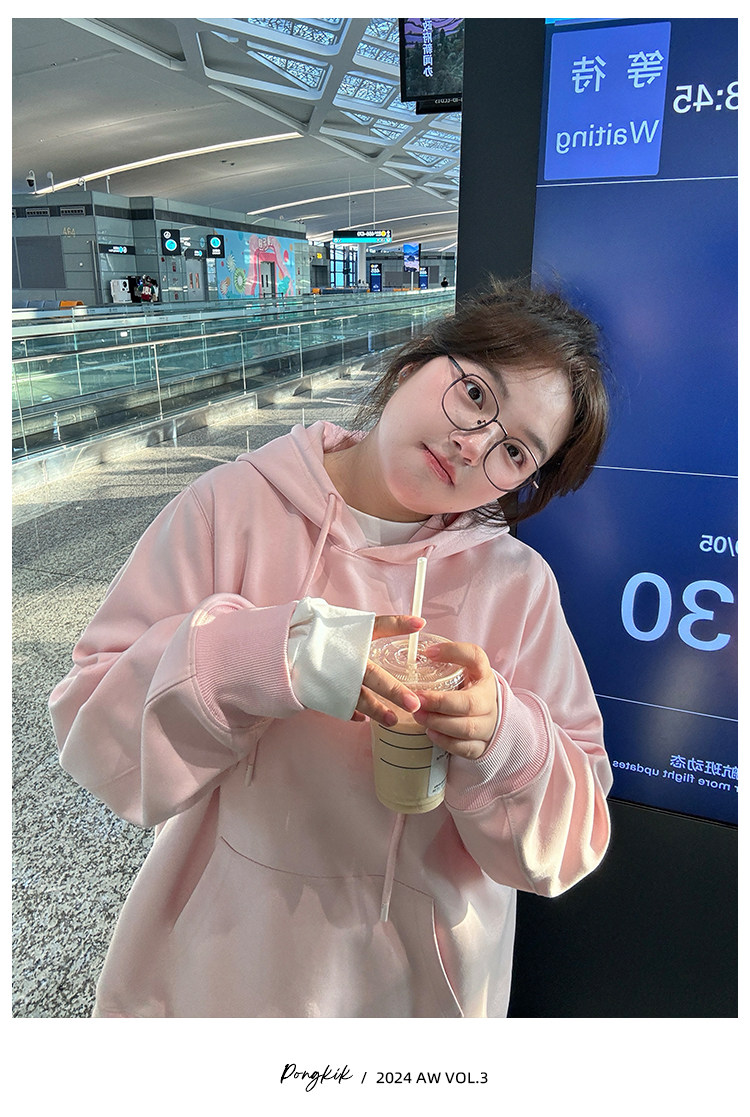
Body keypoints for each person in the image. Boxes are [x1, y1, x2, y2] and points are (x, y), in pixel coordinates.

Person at [49, 277, 613, 1018]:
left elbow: (570, 842)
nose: (472, 443)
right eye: (476, 393)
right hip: (228, 964)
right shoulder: (231, 508)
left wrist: (502, 736)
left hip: (415, 991)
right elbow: (95, 731)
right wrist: (269, 654)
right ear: (419, 359)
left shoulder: (516, 586)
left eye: (513, 451)